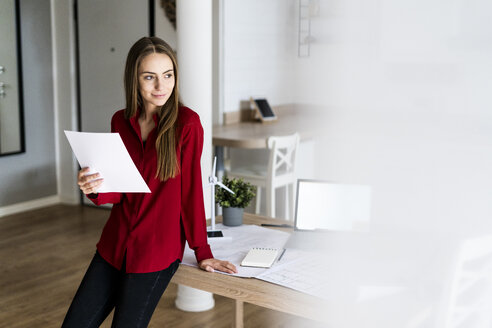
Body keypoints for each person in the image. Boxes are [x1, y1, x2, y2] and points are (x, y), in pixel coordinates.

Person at [62, 36, 237, 328]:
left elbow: (191, 192)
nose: (161, 86)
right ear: (135, 79)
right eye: (150, 77)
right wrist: (94, 187)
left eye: (168, 76)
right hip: (114, 243)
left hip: (156, 251)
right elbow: (122, 189)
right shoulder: (120, 121)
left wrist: (202, 252)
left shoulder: (187, 124)